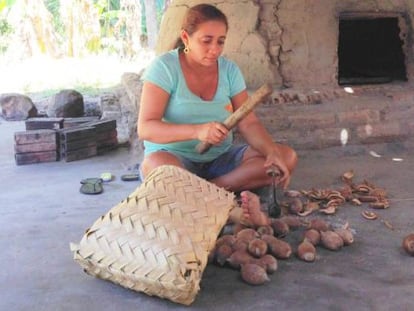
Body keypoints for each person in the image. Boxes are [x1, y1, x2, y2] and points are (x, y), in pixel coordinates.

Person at [137, 3, 297, 226]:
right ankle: (227, 202)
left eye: (220, 41)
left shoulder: (229, 70)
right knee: (155, 166)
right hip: (175, 159)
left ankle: (208, 191)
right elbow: (146, 128)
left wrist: (271, 151)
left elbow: (248, 122)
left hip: (221, 161)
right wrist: (198, 131)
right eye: (206, 40)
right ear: (186, 37)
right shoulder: (164, 68)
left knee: (286, 157)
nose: (215, 49)